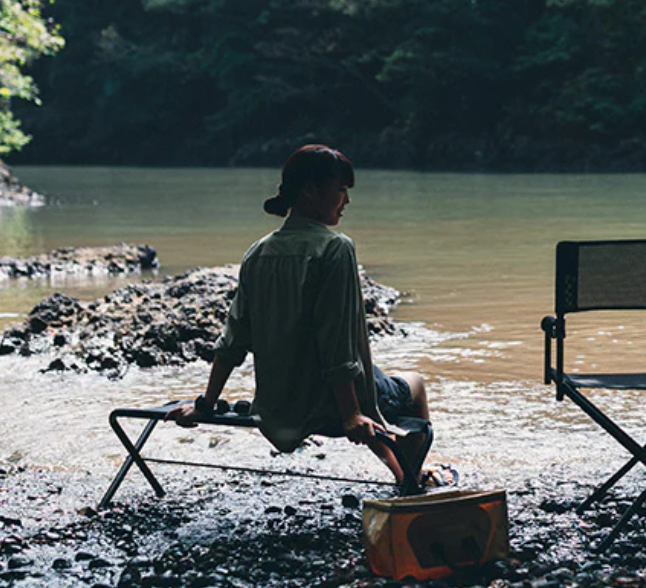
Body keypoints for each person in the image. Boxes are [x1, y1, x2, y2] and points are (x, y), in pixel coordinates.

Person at [167, 144, 441, 487]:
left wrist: (205, 405)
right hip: (328, 407)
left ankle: (401, 471)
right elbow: (336, 345)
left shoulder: (258, 252)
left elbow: (232, 341)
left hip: (279, 407)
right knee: (414, 385)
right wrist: (352, 414)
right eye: (341, 189)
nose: (347, 201)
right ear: (311, 191)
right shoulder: (336, 248)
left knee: (374, 377)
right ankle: (412, 479)